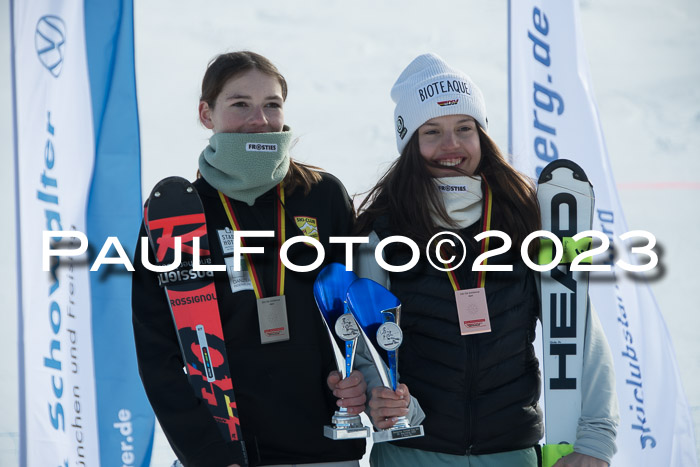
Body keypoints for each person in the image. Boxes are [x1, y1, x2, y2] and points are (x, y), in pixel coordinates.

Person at [353, 53, 619, 467]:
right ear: (408, 144)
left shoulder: (524, 220)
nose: (451, 145)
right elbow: (366, 344)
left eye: (464, 128)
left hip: (510, 452)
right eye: (432, 131)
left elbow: (579, 330)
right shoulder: (383, 231)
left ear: (482, 136)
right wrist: (380, 399)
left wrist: (595, 440)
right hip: (414, 451)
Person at [132, 51, 367, 467]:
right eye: (240, 104)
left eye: (272, 105)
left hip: (327, 442)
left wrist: (364, 381)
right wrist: (205, 452)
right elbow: (158, 353)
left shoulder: (322, 195)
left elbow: (363, 309)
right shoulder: (178, 214)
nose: (259, 120)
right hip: (231, 450)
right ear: (206, 114)